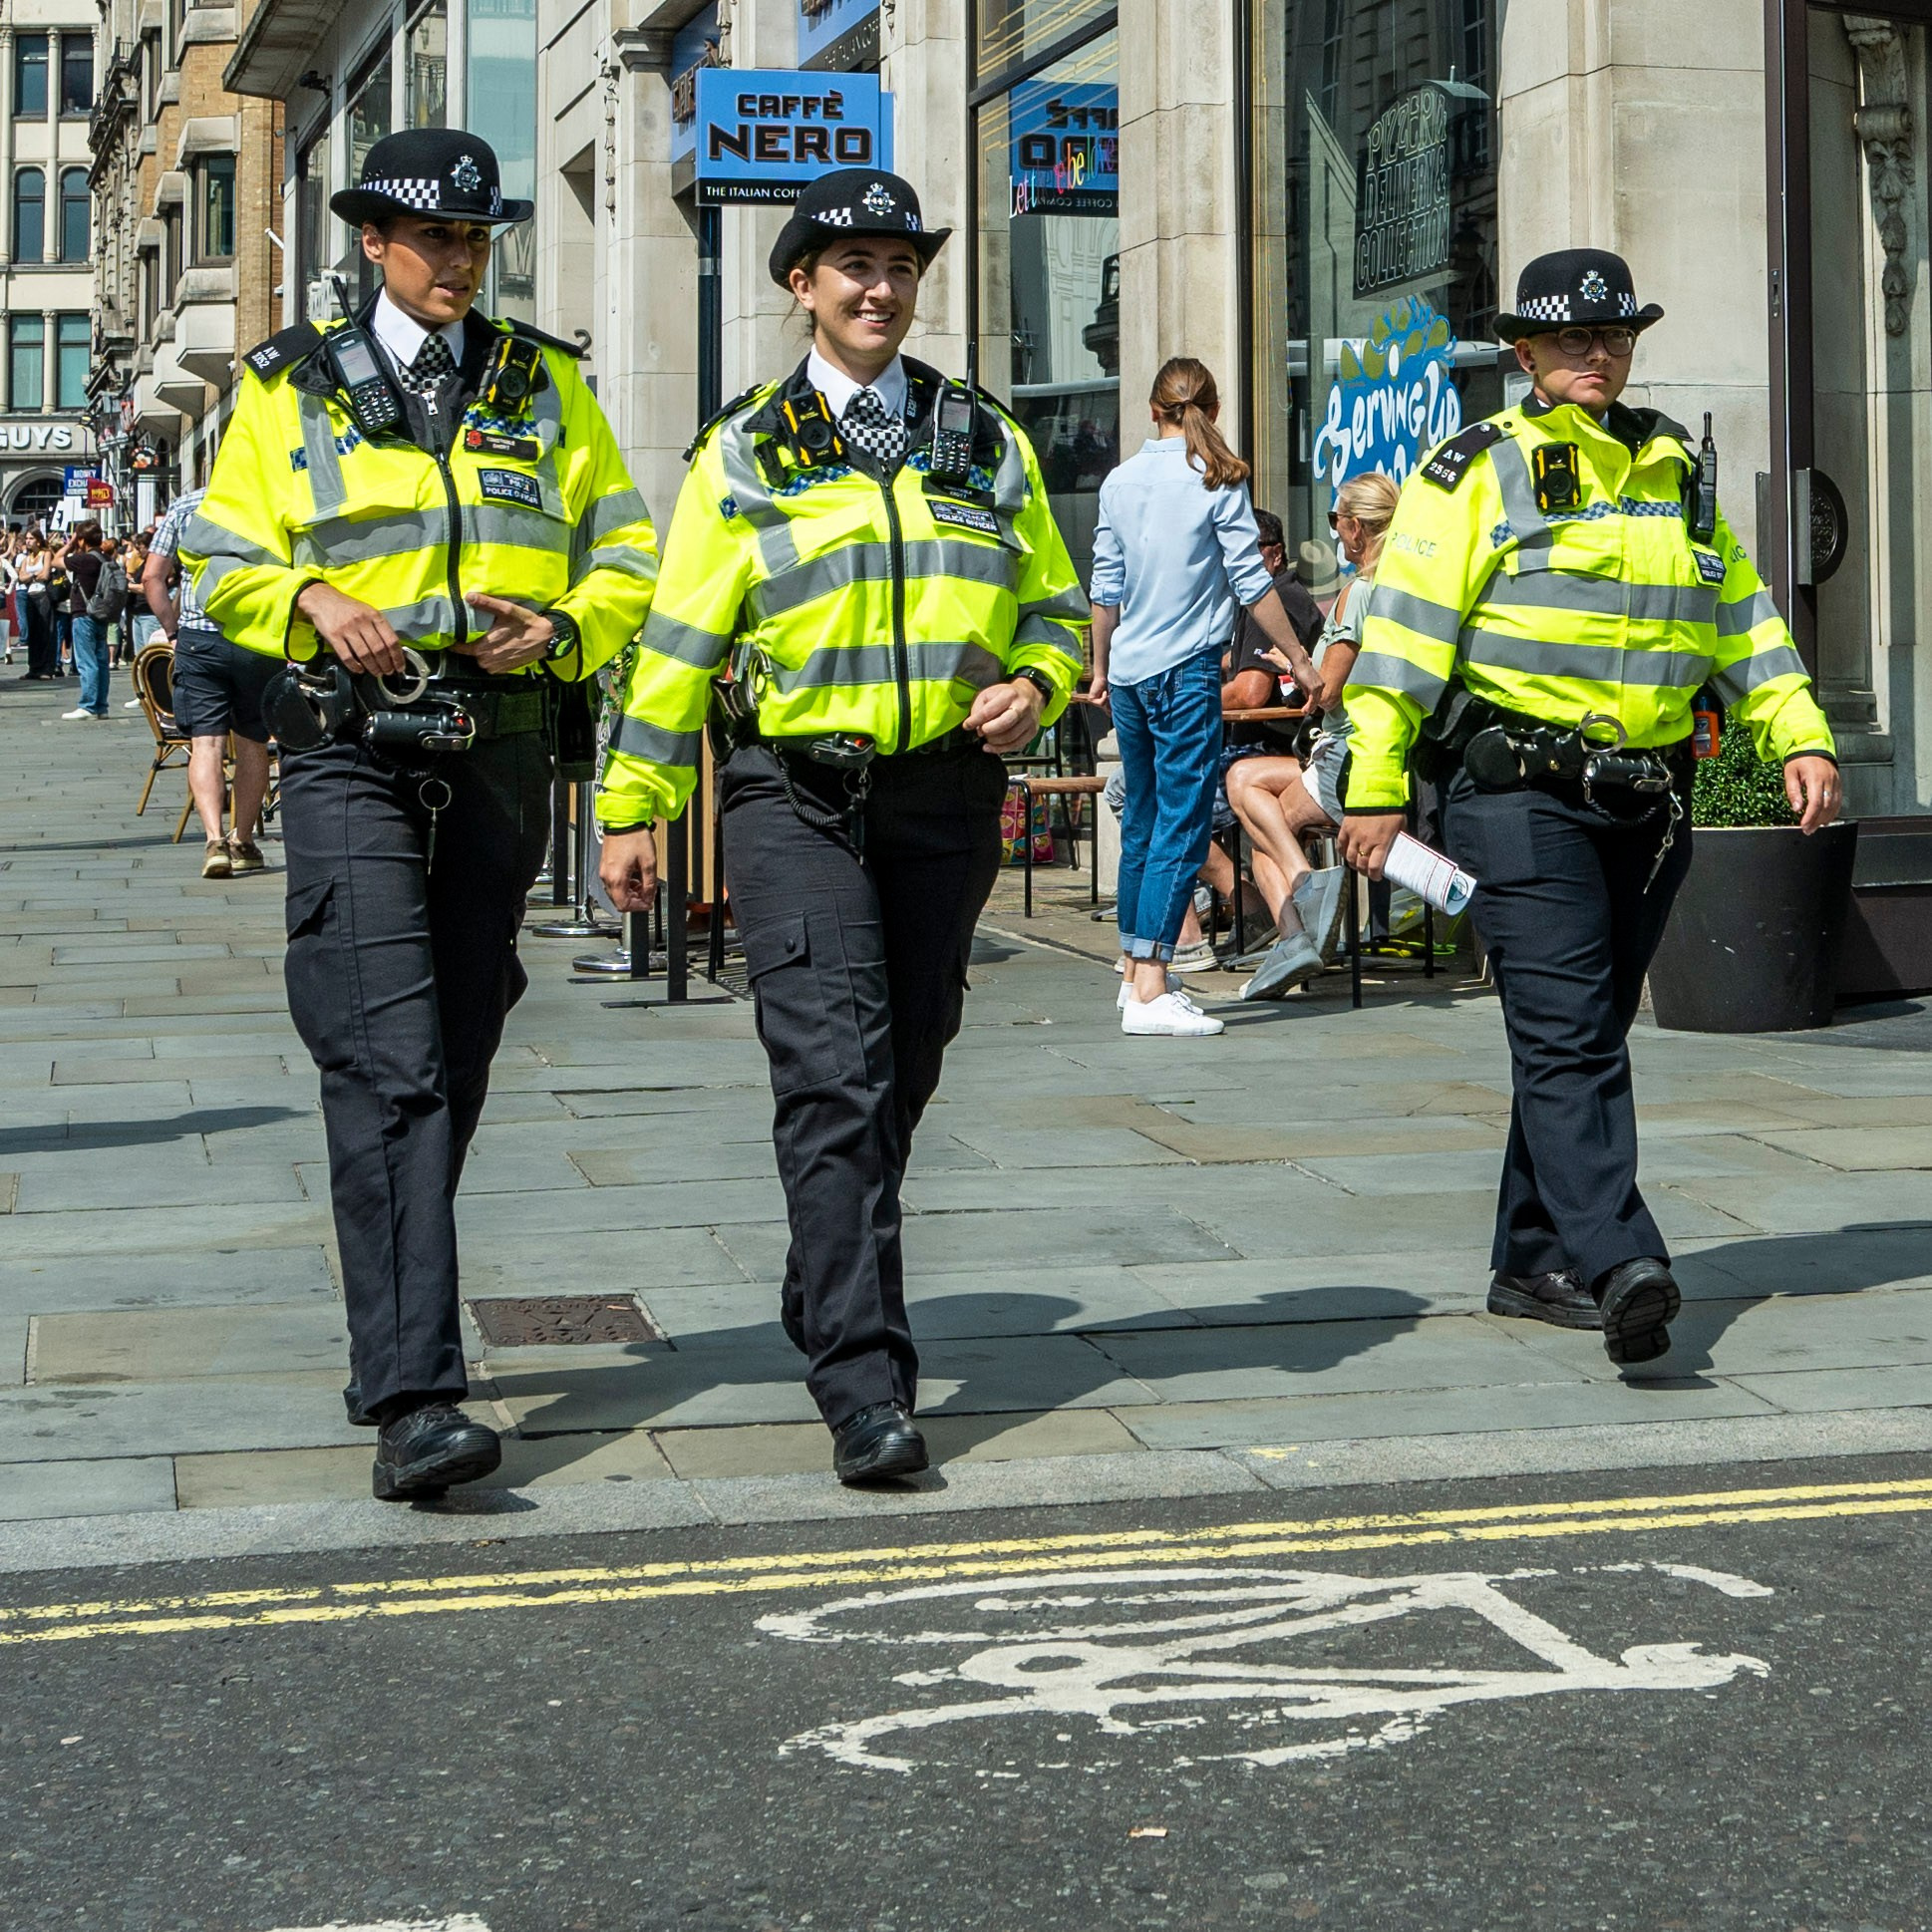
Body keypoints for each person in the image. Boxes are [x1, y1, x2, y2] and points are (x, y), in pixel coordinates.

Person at [182, 128, 659, 1500]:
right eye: (433, 237)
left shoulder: (543, 383)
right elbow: (215, 556)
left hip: (499, 742)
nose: (459, 258)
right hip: (347, 749)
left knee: (454, 1044)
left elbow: (626, 550)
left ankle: (390, 1314)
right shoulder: (290, 387)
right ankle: (415, 1394)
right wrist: (311, 603)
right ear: (373, 244)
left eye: (474, 237)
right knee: (388, 1057)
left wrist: (566, 627)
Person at [598, 167, 1086, 1485]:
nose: (880, 286)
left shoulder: (984, 438)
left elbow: (1050, 601)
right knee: (836, 1075)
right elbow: (680, 638)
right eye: (851, 265)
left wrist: (1035, 679)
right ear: (799, 286)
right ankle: (865, 1383)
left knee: (908, 1055)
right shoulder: (744, 447)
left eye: (899, 265)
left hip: (942, 794)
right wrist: (633, 804)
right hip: (790, 793)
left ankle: (822, 1276)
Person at [1337, 249, 1841, 1367]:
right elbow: (1405, 639)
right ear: (1525, 353)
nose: (1597, 355)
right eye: (1573, 340)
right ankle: (1622, 1260)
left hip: (1650, 801)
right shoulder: (1474, 469)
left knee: (1584, 1033)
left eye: (1613, 336)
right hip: (1519, 797)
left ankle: (1531, 1257)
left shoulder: (1670, 465)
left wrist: (1798, 730)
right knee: (1567, 1036)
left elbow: (1739, 616)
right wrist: (1371, 789)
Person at [1089, 358, 1322, 1036]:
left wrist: (1100, 666)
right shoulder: (1219, 477)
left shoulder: (1120, 479)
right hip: (1186, 671)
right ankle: (1156, 986)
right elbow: (1252, 583)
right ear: (1212, 411)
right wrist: (1302, 663)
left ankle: (1136, 976)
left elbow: (1105, 586)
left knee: (1144, 820)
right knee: (1182, 825)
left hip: (1131, 672)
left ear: (1151, 409)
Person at [1229, 476, 1399, 997]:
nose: (1336, 534)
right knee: (1251, 788)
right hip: (1390, 753)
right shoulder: (1405, 587)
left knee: (1256, 810)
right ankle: (1300, 920)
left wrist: (1300, 668)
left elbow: (1328, 692)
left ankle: (1300, 921)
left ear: (1355, 528)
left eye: (1336, 521)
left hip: (1349, 756)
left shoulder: (1357, 593)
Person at [148, 486, 280, 875]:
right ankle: (243, 840)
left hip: (199, 639)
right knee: (253, 742)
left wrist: (173, 631)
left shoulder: (187, 504)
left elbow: (152, 577)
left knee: (205, 742)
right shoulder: (267, 497)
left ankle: (213, 841)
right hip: (256, 636)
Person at [61, 523, 122, 721]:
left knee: (87, 661)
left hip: (83, 614)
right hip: (101, 614)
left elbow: (54, 560)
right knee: (101, 661)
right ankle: (100, 705)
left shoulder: (84, 559)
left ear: (82, 540)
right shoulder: (105, 558)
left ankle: (87, 705)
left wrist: (70, 544)